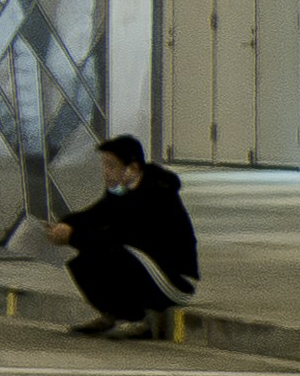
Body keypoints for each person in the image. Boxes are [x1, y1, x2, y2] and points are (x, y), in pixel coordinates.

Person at [32, 133, 200, 339]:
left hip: (173, 280)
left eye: (111, 166)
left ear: (133, 168)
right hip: (146, 266)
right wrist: (65, 224)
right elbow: (96, 214)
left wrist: (73, 235)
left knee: (110, 252)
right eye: (104, 165)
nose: (106, 172)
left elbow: (120, 233)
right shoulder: (121, 191)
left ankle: (138, 319)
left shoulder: (156, 193)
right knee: (83, 261)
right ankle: (111, 314)